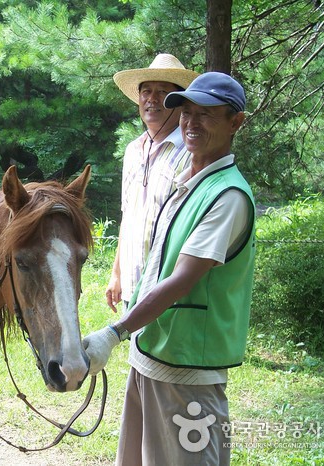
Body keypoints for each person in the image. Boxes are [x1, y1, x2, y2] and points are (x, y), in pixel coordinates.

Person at [84, 72, 255, 466]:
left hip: (187, 369)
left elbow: (181, 280)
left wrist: (113, 333)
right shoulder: (188, 180)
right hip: (152, 351)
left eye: (206, 114)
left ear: (235, 122)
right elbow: (154, 257)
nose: (192, 123)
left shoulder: (227, 196)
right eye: (187, 113)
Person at [107, 54, 199, 312]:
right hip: (131, 285)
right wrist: (117, 274)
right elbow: (129, 216)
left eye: (163, 92)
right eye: (146, 90)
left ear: (179, 101)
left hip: (168, 289)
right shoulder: (133, 151)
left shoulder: (191, 154)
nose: (152, 98)